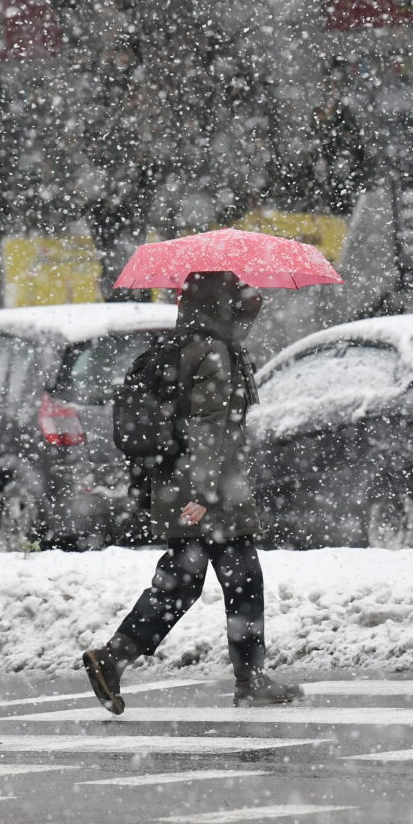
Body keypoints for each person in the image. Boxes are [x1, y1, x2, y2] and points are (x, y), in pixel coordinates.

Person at [82, 270, 303, 712]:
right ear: (220, 305)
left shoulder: (187, 345)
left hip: (181, 485)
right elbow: (207, 431)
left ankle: (115, 657)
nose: (245, 308)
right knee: (239, 581)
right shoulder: (215, 354)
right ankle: (249, 680)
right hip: (209, 493)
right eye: (236, 299)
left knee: (183, 581)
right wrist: (203, 496)